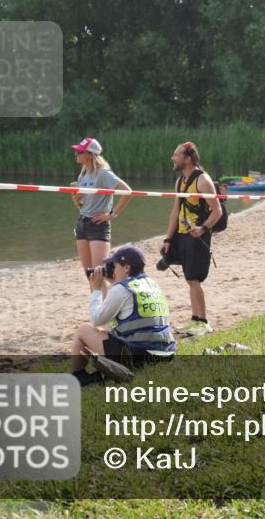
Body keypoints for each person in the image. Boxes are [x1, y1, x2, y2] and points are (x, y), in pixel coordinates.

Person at [70, 244, 175, 387]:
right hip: (166, 353)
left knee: (83, 329)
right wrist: (115, 283)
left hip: (140, 357)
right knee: (110, 332)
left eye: (115, 265)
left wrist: (96, 290)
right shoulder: (151, 283)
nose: (113, 270)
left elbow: (96, 320)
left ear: (126, 268)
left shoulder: (121, 290)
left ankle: (79, 376)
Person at [163, 142, 223, 337]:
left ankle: (203, 321)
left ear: (188, 158)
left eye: (176, 154)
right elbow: (174, 212)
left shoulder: (203, 181)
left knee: (194, 279)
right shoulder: (180, 181)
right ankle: (195, 319)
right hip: (183, 235)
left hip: (199, 236)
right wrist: (168, 238)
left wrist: (203, 228)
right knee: (190, 280)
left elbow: (217, 211)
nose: (173, 158)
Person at [70, 138, 134, 279]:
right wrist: (76, 198)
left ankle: (108, 300)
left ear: (90, 154)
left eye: (80, 151)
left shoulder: (103, 173)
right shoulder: (83, 175)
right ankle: (95, 302)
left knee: (101, 275)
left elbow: (128, 192)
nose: (76, 154)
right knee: (90, 275)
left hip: (98, 225)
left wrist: (111, 215)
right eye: (76, 151)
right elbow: (81, 205)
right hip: (82, 223)